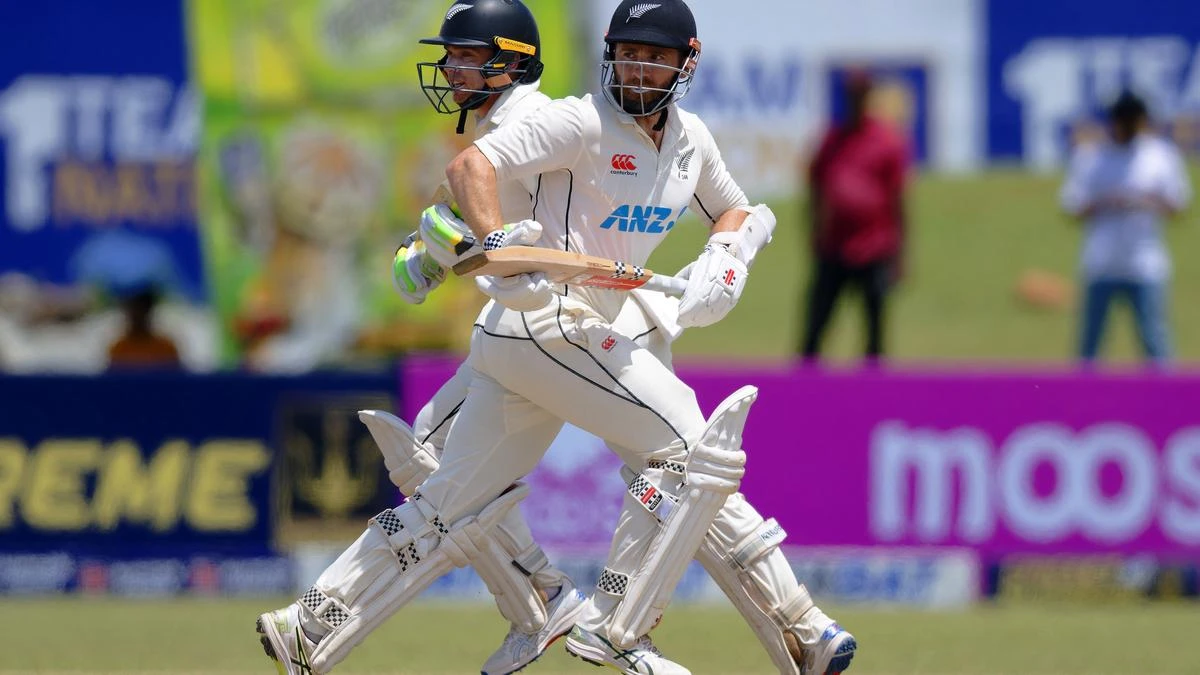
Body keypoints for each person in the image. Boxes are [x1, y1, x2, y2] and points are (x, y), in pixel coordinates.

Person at [256, 2, 856, 674]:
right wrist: (489, 237)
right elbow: (470, 172)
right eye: (627, 52)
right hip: (549, 319)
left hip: (564, 334)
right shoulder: (576, 119)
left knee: (449, 504)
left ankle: (310, 623)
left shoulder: (693, 141)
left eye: (653, 56)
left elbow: (737, 210)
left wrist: (727, 257)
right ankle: (622, 623)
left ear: (687, 62)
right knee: (692, 453)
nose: (636, 66)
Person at [1059, 90, 1190, 365]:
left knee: (1155, 339)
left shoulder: (1160, 156)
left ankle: (1166, 402)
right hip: (1101, 262)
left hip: (1145, 263)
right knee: (1089, 344)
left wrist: (1145, 202)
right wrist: (1108, 202)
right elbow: (1071, 206)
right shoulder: (1092, 157)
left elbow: (1179, 205)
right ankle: (1079, 402)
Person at [800, 69, 909, 362]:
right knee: (814, 327)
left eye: (860, 94)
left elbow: (899, 200)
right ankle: (801, 390)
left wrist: (900, 254)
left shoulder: (887, 142)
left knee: (874, 331)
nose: (855, 100)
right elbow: (815, 186)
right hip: (834, 247)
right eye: (850, 94)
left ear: (868, 96)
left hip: (874, 248)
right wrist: (813, 229)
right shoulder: (832, 140)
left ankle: (874, 395)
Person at [107, 285, 181, 370]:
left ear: (149, 310)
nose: (136, 313)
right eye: (132, 308)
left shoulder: (166, 348)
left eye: (140, 308)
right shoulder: (118, 349)